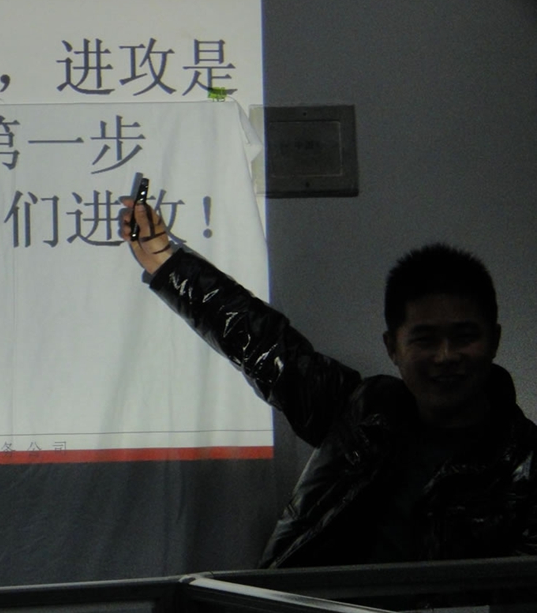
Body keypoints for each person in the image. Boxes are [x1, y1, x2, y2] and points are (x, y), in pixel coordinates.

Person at [120, 197, 537, 568]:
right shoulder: (362, 412)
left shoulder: (525, 463)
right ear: (393, 347)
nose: (445, 357)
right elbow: (262, 344)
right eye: (425, 340)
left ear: (494, 340)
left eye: (464, 337)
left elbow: (513, 609)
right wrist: (167, 262)